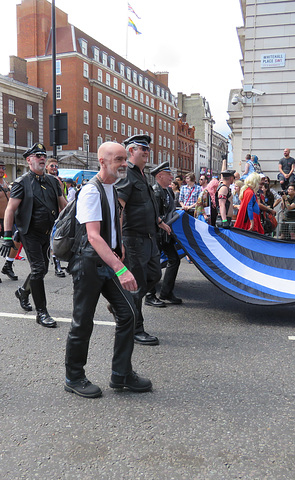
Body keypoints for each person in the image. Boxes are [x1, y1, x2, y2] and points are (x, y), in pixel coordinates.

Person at [64, 141, 152, 398]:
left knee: (128, 314)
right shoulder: (91, 191)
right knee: (83, 323)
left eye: (125, 159)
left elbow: (115, 222)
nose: (124, 164)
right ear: (102, 161)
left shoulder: (112, 187)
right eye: (118, 160)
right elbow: (93, 236)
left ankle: (121, 374)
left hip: (108, 259)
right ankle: (74, 377)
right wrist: (121, 268)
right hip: (90, 264)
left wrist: (120, 245)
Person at [1, 143, 67, 328]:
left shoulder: (54, 182)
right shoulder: (22, 182)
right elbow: (10, 209)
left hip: (47, 233)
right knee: (39, 270)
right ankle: (42, 312)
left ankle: (23, 291)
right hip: (29, 233)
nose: (42, 158)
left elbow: (64, 205)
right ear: (29, 160)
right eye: (37, 155)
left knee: (43, 270)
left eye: (43, 155)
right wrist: (7, 236)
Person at [116, 134, 171, 345]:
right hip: (133, 238)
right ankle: (135, 328)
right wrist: (118, 240)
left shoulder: (142, 174)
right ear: (131, 151)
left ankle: (121, 303)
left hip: (149, 238)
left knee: (155, 275)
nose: (147, 152)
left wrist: (159, 221)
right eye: (142, 149)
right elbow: (119, 208)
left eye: (148, 149)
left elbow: (144, 204)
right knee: (136, 286)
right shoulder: (125, 173)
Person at [147, 161, 182, 305]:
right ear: (160, 176)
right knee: (154, 265)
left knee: (174, 259)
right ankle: (149, 296)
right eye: (169, 174)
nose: (171, 177)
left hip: (166, 234)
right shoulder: (155, 191)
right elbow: (152, 214)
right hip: (156, 234)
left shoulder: (168, 191)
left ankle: (166, 293)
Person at [46, 158, 67, 277]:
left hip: (57, 215)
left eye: (56, 166)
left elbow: (63, 196)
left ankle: (57, 265)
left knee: (55, 240)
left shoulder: (59, 181)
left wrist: (66, 209)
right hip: (46, 214)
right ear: (47, 167)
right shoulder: (43, 179)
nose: (54, 168)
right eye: (52, 166)